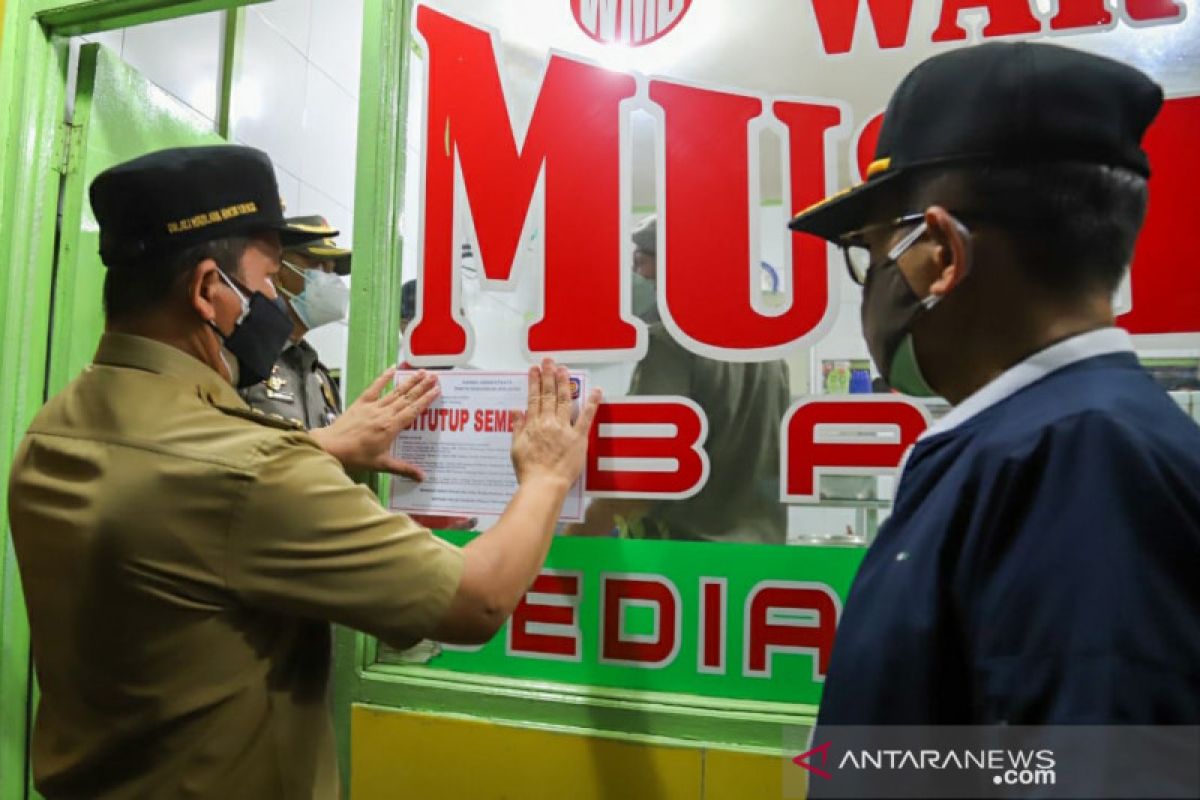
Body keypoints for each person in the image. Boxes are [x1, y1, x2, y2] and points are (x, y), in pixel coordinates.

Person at [6, 145, 600, 799]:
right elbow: (477, 599)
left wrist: (317, 448)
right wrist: (545, 474)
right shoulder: (251, 470)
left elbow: (178, 520)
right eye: (266, 280)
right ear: (208, 291)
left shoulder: (55, 427)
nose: (272, 300)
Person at [788, 41, 1200, 740]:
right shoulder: (1039, 442)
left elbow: (1088, 779)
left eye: (872, 250)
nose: (870, 287)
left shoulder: (1082, 461)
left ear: (942, 254)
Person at [567, 216, 791, 543]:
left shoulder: (670, 343)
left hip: (683, 559)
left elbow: (640, 480)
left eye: (641, 262)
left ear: (678, 266)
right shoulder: (772, 354)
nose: (635, 276)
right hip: (758, 558)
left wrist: (571, 544)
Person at [240, 214, 350, 431]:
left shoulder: (319, 379)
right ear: (279, 271)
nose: (333, 280)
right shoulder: (242, 362)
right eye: (319, 267)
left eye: (333, 270)